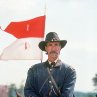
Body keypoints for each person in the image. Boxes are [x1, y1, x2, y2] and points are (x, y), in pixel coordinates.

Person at [24, 32, 76, 97]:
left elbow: (67, 94)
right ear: (46, 48)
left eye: (56, 44)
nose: (53, 48)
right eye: (50, 45)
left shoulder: (69, 71)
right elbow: (28, 91)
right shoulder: (34, 70)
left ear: (60, 47)